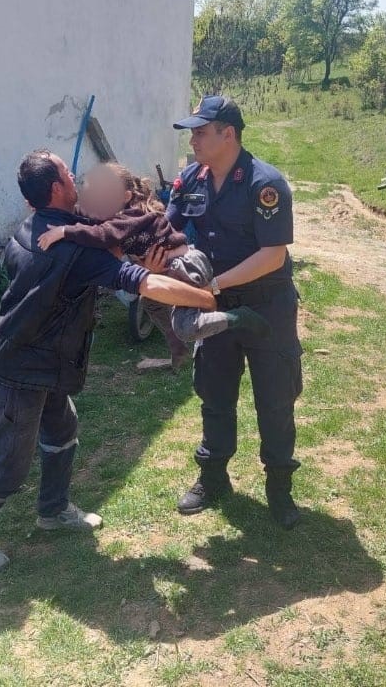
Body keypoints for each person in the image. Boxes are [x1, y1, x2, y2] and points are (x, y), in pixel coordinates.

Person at [0, 151, 219, 573]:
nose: (80, 180)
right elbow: (147, 284)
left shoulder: (38, 225)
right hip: (21, 369)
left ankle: (52, 511)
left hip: (41, 357)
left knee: (62, 429)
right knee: (10, 462)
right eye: (71, 174)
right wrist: (206, 296)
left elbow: (106, 234)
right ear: (57, 188)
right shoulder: (73, 248)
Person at [158, 96, 303, 529]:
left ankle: (280, 490)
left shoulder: (264, 183)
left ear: (229, 134)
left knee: (275, 400)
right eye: (192, 132)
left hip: (266, 307)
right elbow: (168, 232)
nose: (194, 139)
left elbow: (273, 256)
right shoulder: (189, 180)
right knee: (214, 393)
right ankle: (213, 477)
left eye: (201, 131)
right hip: (214, 308)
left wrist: (213, 284)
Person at [37, 162, 269, 344]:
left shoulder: (130, 218)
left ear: (125, 197)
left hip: (184, 265)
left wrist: (65, 231)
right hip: (172, 266)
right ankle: (175, 345)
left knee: (187, 329)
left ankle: (239, 317)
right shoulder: (113, 214)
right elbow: (87, 217)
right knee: (151, 303)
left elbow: (103, 234)